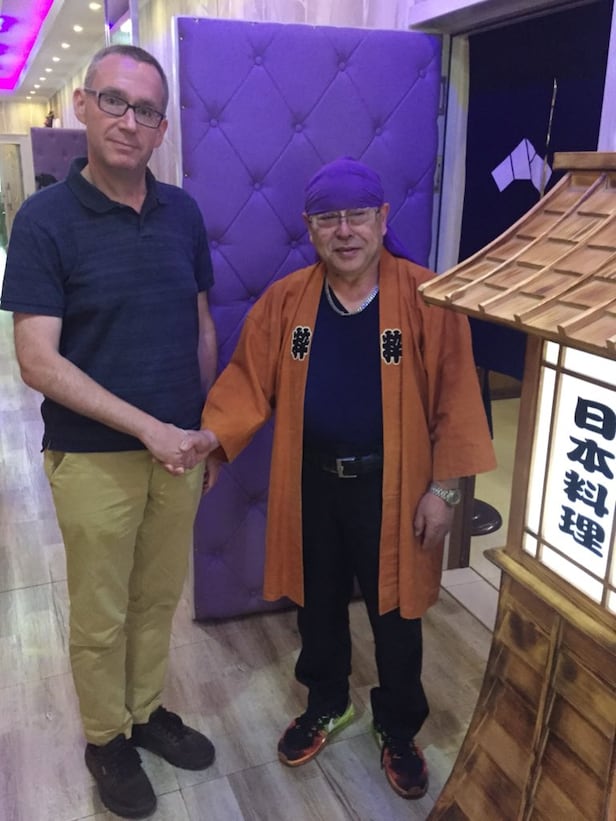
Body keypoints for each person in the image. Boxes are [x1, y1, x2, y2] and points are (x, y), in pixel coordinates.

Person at [194, 157, 496, 800]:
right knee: (317, 603)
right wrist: (212, 441)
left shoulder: (426, 297)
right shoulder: (288, 301)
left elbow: (456, 400)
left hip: (396, 487)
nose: (345, 231)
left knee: (396, 612)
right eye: (328, 218)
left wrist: (444, 491)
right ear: (310, 228)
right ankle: (327, 702)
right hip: (311, 484)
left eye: (358, 215)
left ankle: (399, 725)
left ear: (383, 219)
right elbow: (247, 380)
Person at [0, 45, 216, 819]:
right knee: (101, 611)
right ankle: (105, 738)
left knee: (157, 596)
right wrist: (150, 428)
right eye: (115, 102)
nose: (130, 121)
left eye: (146, 109)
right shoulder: (44, 219)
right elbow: (36, 360)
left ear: (162, 128)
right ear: (84, 106)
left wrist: (202, 428)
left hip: (179, 454)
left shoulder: (183, 212)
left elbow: (200, 324)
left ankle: (145, 709)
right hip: (95, 458)